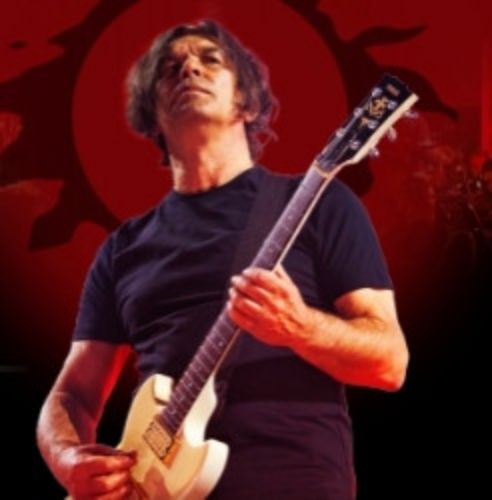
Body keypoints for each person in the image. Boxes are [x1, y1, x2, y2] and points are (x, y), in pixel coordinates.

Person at [36, 19, 409, 499]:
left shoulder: (318, 204)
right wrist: (68, 459)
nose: (189, 68)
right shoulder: (122, 249)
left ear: (247, 103)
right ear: (151, 114)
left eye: (210, 60)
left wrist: (300, 327)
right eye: (169, 68)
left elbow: (389, 363)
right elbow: (72, 393)